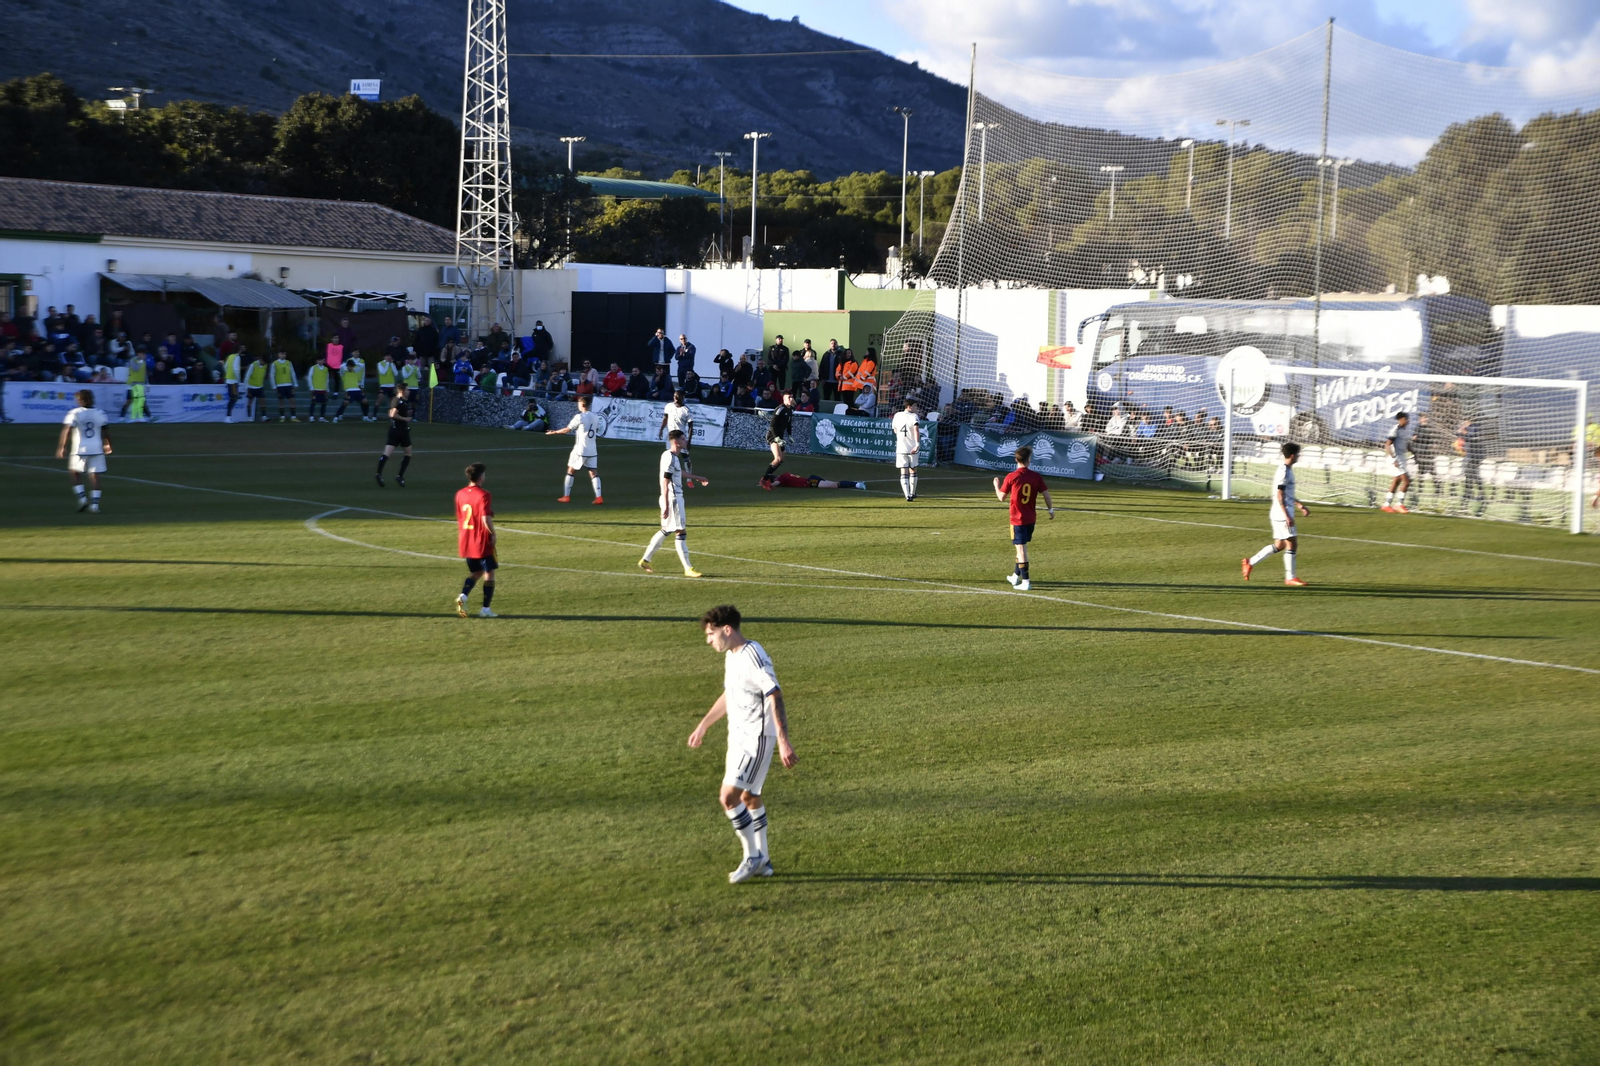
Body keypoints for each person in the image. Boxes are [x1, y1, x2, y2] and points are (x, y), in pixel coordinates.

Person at [687, 604, 797, 883]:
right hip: (737, 737)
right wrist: (704, 724)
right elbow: (730, 693)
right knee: (749, 797)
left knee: (728, 797)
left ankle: (752, 857)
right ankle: (765, 861)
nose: (708, 640)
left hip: (756, 738)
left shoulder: (753, 657)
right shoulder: (732, 655)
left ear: (727, 630)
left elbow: (776, 694)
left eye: (711, 634)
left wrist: (783, 741)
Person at [639, 430, 709, 577]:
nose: (685, 441)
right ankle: (688, 568)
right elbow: (665, 482)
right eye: (683, 439)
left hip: (671, 498)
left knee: (666, 529)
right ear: (676, 442)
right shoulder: (671, 458)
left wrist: (696, 477)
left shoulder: (669, 456)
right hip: (673, 498)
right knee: (681, 531)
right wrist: (665, 503)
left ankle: (645, 559)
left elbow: (678, 473)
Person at [1242, 442, 1310, 587]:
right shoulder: (1284, 471)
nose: (1299, 456)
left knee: (1279, 545)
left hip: (1279, 512)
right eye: (1298, 454)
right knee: (1292, 543)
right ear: (1293, 455)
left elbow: (1285, 493)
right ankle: (1290, 577)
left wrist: (1299, 505)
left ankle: (1250, 562)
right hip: (1281, 514)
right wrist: (1287, 515)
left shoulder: (1285, 469)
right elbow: (1279, 494)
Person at [994, 445, 1055, 592]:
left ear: (1016, 459)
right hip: (1030, 519)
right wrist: (1050, 509)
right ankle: (1015, 576)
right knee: (1019, 548)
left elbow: (1001, 497)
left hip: (1017, 520)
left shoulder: (1011, 477)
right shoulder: (1035, 476)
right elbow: (1046, 494)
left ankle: (1026, 581)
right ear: (1029, 460)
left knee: (1021, 550)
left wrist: (996, 486)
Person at [454, 462, 499, 618]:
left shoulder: (460, 493)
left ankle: (463, 595)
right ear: (481, 477)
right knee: (489, 573)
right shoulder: (484, 494)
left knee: (476, 571)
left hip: (466, 539)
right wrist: (493, 534)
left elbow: (463, 514)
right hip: (481, 539)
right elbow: (485, 519)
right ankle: (485, 610)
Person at [57, 389, 111, 513]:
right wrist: (108, 444)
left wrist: (62, 447)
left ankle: (82, 499)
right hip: (96, 448)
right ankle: (95, 506)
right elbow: (106, 430)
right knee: (95, 476)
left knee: (74, 473)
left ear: (79, 400)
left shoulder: (74, 413)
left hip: (79, 449)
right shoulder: (100, 412)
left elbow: (67, 430)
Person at [547, 393, 605, 504]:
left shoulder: (580, 417)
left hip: (581, 449)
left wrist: (554, 432)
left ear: (583, 404)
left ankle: (566, 496)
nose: (577, 405)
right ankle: (599, 497)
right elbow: (597, 430)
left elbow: (567, 430)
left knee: (571, 470)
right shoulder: (596, 417)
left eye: (579, 403)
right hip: (592, 449)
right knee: (593, 472)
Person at [376, 384, 414, 487]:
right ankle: (400, 476)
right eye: (407, 390)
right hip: (401, 431)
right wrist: (405, 419)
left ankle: (379, 473)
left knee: (387, 453)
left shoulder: (396, 400)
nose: (409, 391)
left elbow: (390, 413)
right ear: (402, 391)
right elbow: (393, 414)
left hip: (393, 430)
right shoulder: (400, 401)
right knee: (408, 453)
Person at [758, 391, 796, 489]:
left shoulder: (790, 409)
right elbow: (772, 425)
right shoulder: (780, 409)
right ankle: (764, 479)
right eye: (789, 397)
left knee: (782, 459)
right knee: (777, 458)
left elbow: (789, 423)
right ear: (784, 399)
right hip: (773, 435)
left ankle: (769, 475)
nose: (791, 399)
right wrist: (776, 438)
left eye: (792, 397)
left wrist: (790, 435)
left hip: (780, 436)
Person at [659, 390, 696, 484]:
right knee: (670, 456)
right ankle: (668, 475)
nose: (675, 398)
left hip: (681, 437)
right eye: (674, 396)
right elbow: (665, 418)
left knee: (686, 458)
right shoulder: (669, 406)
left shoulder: (687, 410)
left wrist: (689, 441)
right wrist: (661, 430)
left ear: (683, 397)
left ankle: (689, 478)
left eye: (678, 396)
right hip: (671, 437)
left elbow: (691, 427)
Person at [1381, 411, 1414, 513]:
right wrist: (1394, 459)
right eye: (1406, 418)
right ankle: (1399, 504)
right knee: (1407, 481)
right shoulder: (1395, 429)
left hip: (1402, 457)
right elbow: (1387, 445)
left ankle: (1386, 504)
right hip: (1396, 458)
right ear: (1401, 419)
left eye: (1408, 418)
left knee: (1397, 481)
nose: (1408, 420)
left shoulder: (1406, 430)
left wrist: (1414, 453)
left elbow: (1406, 444)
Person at [892, 399, 922, 501]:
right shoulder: (914, 417)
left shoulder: (897, 415)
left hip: (901, 447)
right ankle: (912, 493)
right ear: (909, 407)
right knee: (913, 469)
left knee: (903, 471)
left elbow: (895, 430)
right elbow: (916, 429)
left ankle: (907, 495)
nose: (916, 409)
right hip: (912, 447)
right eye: (915, 406)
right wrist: (917, 444)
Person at [336, 351, 372, 421]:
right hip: (349, 390)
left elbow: (362, 366)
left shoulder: (355, 371)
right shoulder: (344, 373)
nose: (351, 367)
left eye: (352, 366)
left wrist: (354, 364)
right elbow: (341, 367)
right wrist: (347, 362)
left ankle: (365, 416)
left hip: (357, 390)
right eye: (350, 366)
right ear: (347, 366)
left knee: (365, 401)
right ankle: (337, 417)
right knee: (345, 403)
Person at [270, 350, 299, 421]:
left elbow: (292, 373)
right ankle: (282, 417)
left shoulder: (289, 363)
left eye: (284, 354)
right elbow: (272, 375)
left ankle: (293, 417)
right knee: (281, 401)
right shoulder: (275, 363)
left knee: (292, 400)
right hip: (280, 385)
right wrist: (274, 386)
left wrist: (295, 383)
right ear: (278, 354)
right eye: (281, 354)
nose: (283, 355)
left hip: (289, 385)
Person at [307, 353, 332, 422]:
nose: (321, 361)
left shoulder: (326, 369)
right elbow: (310, 377)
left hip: (323, 389)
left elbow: (327, 379)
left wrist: (327, 389)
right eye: (319, 360)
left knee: (324, 403)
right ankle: (311, 416)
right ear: (317, 361)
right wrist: (311, 387)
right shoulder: (313, 368)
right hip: (316, 389)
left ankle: (322, 417)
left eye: (322, 360)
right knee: (313, 403)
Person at [766, 473, 867, 490]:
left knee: (835, 485)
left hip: (811, 482)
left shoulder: (781, 479)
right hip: (811, 479)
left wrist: (766, 485)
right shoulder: (785, 475)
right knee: (834, 483)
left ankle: (857, 484)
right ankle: (856, 483)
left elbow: (774, 485)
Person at [242, 353, 267, 422]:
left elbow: (263, 374)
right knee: (250, 402)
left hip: (260, 386)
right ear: (261, 360)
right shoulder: (253, 365)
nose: (264, 364)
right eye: (264, 362)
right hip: (251, 386)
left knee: (262, 401)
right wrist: (246, 387)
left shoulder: (265, 365)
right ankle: (249, 417)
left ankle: (264, 416)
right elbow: (247, 375)